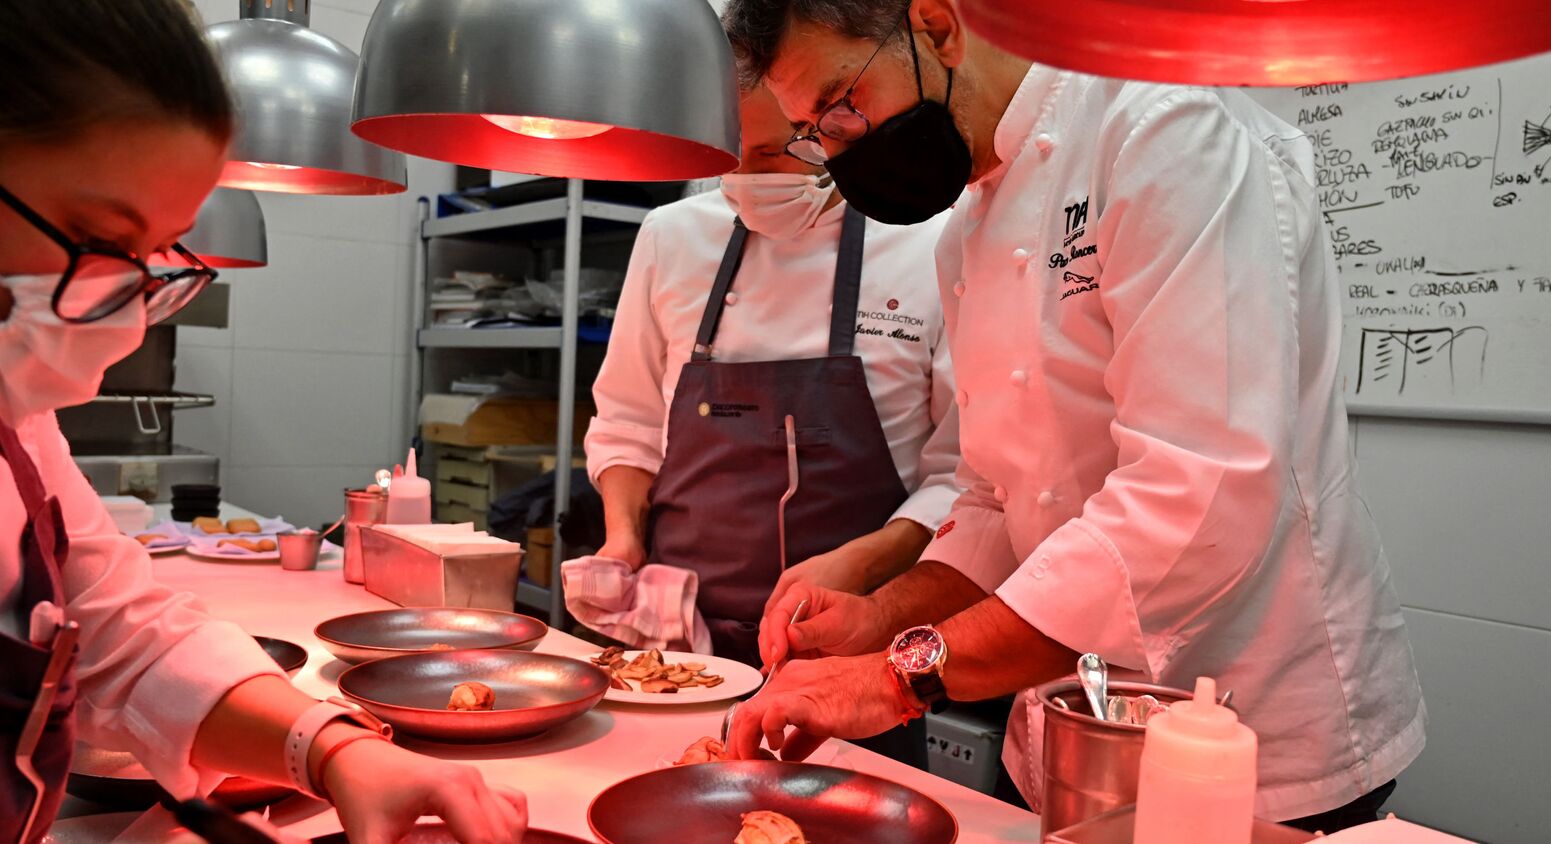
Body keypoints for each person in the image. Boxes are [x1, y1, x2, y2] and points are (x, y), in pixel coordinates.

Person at [0, 2, 525, 842]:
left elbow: (118, 631)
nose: (128, 313)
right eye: (97, 240)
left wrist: (333, 752)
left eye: (159, 256)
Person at [717, 0, 1427, 832]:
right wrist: (882, 618)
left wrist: (895, 678)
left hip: (1256, 731)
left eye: (842, 105)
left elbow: (1199, 495)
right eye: (813, 132)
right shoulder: (968, 228)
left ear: (938, 25)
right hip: (1070, 731)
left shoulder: (1164, 126)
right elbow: (995, 501)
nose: (838, 150)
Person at [583, 87, 958, 668]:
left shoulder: (933, 241)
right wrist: (622, 538)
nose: (748, 176)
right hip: (679, 645)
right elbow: (628, 422)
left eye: (775, 151)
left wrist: (864, 562)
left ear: (838, 128)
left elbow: (962, 472)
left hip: (856, 648)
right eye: (733, 154)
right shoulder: (669, 236)